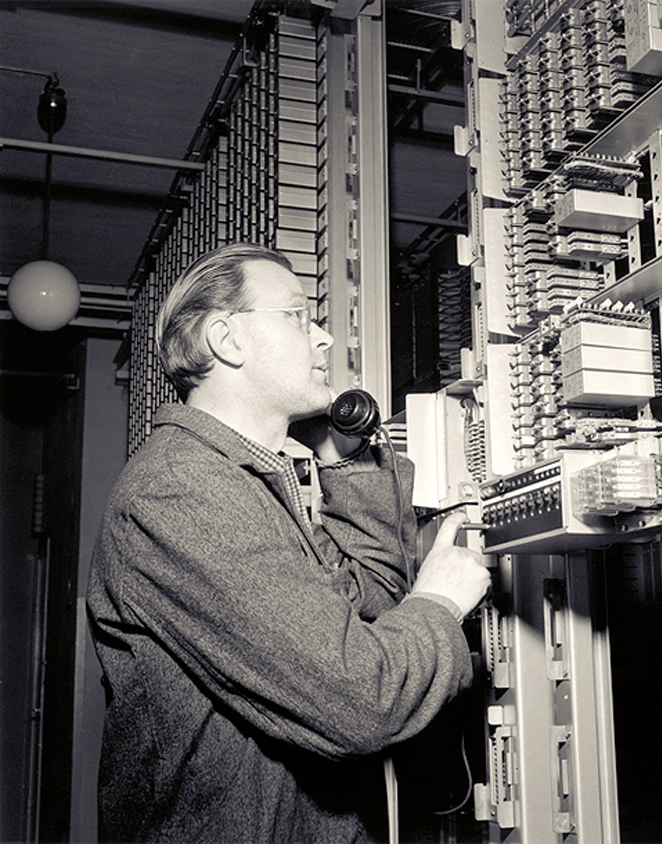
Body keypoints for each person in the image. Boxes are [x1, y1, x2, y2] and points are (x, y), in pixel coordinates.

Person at [86, 243, 491, 843]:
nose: (324, 338)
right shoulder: (184, 492)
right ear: (228, 339)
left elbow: (377, 603)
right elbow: (364, 699)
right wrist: (442, 606)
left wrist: (345, 459)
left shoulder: (245, 482)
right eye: (299, 316)